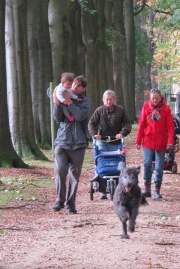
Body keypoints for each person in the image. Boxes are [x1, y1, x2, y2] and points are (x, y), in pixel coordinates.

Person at [51, 76, 91, 214]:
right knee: (60, 171)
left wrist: (69, 102)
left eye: (79, 85)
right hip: (62, 141)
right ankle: (59, 200)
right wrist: (57, 103)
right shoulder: (63, 93)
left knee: (74, 174)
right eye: (74, 83)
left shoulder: (85, 101)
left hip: (79, 143)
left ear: (83, 88)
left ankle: (71, 203)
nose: (74, 86)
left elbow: (80, 116)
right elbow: (57, 118)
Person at [88, 89, 133, 199]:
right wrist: (94, 134)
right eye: (107, 99)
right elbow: (91, 123)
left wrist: (122, 133)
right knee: (102, 162)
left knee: (116, 163)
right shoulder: (99, 110)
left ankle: (119, 186)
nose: (108, 101)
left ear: (114, 100)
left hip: (116, 141)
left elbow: (128, 123)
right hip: (102, 141)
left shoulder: (121, 110)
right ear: (104, 100)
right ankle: (102, 189)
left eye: (111, 99)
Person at [135, 88, 175, 200]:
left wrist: (170, 141)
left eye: (157, 98)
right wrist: (138, 140)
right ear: (150, 98)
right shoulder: (146, 107)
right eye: (153, 98)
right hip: (148, 140)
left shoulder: (166, 109)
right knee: (147, 164)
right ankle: (147, 189)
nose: (155, 100)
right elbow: (142, 124)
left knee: (159, 166)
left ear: (160, 97)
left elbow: (170, 127)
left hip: (161, 141)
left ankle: (157, 190)